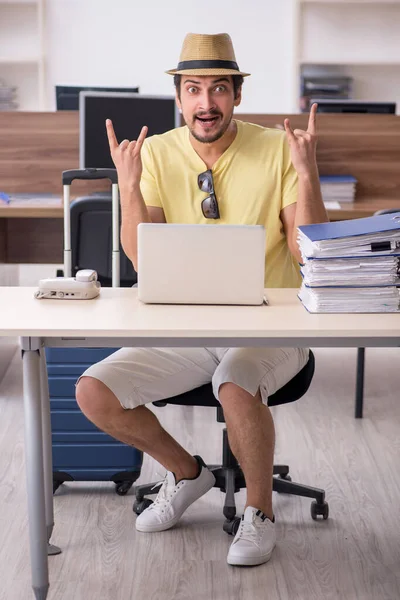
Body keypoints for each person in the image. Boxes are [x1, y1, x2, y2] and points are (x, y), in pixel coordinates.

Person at [75, 32, 328, 567]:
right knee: (94, 390)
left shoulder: (277, 148)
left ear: (236, 95)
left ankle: (259, 513)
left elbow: (309, 254)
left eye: (218, 89)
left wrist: (307, 174)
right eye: (194, 89)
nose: (205, 102)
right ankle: (188, 474)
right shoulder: (158, 153)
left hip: (273, 330)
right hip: (188, 331)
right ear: (179, 97)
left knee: (234, 383)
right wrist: (129, 186)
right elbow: (144, 258)